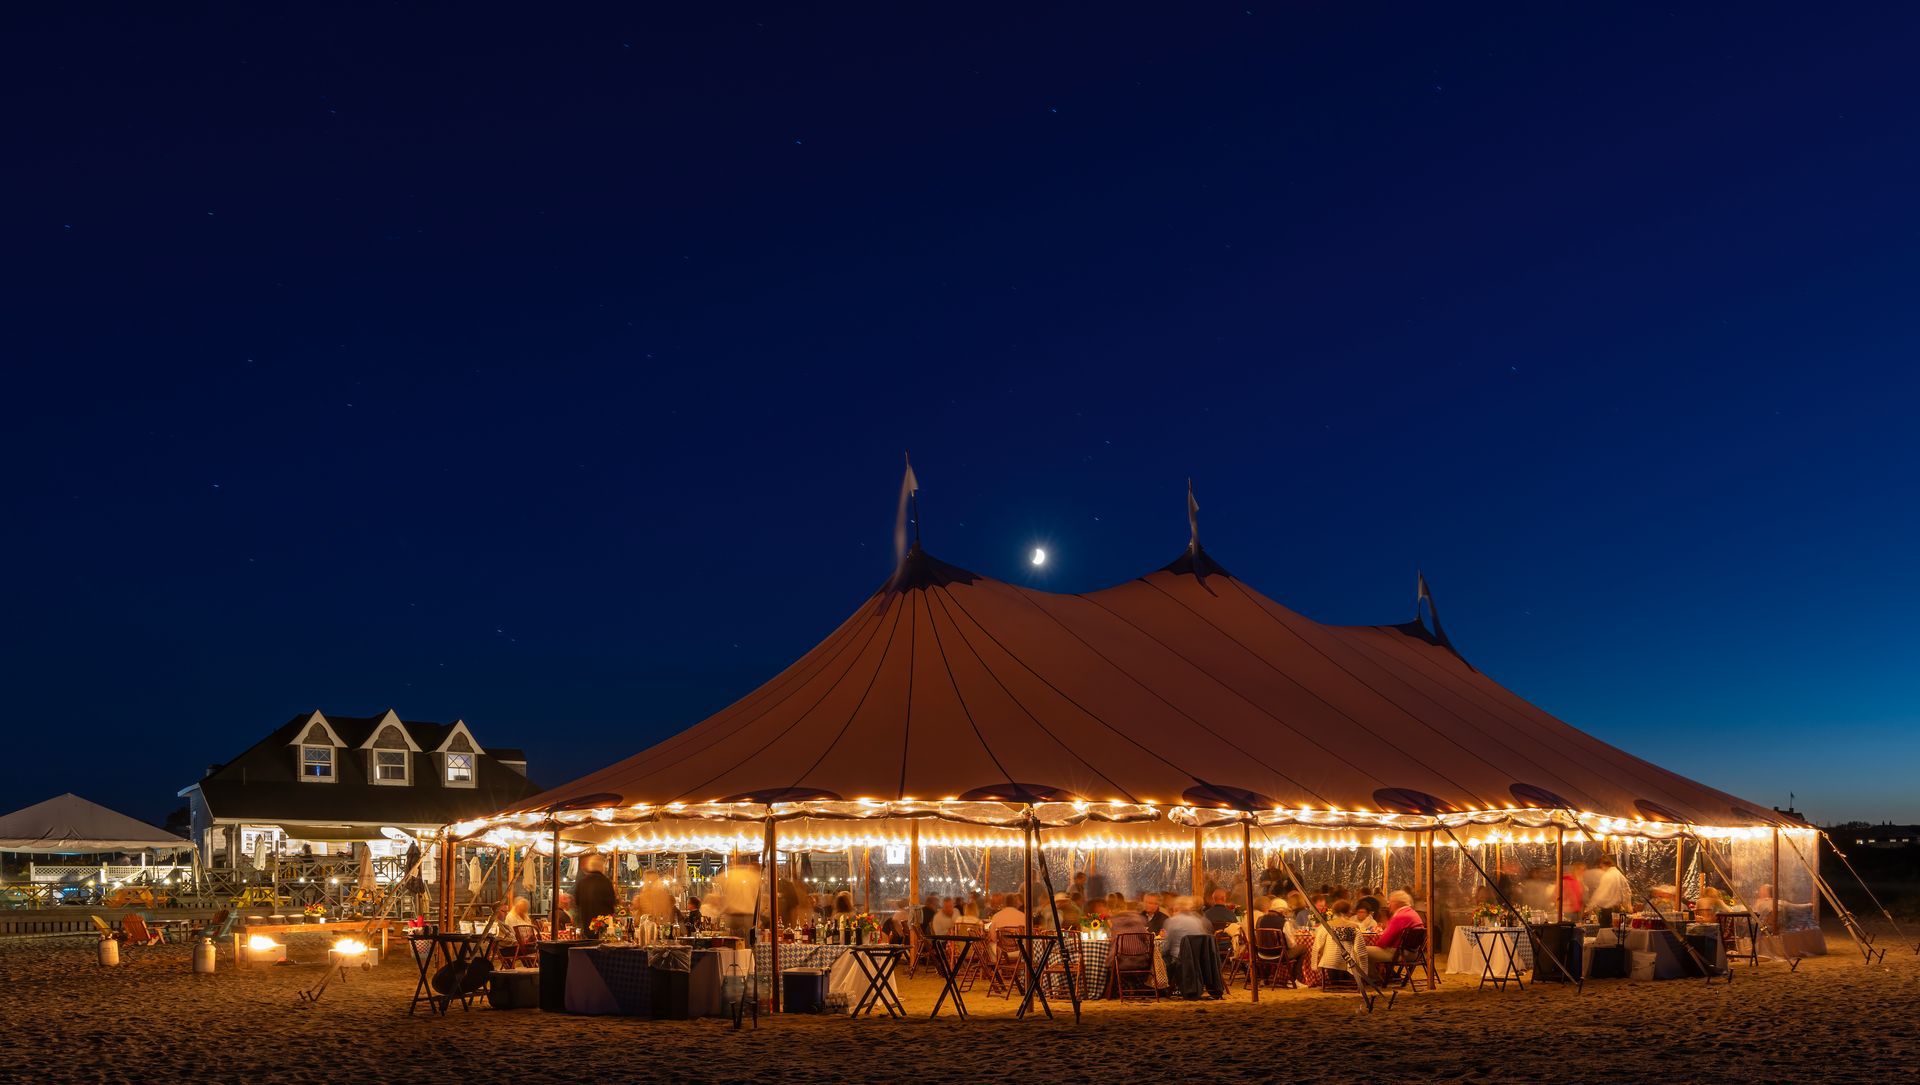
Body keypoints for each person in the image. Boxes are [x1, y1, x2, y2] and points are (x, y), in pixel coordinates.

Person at [1362, 891, 1425, 968]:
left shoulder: (1400, 916)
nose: (1389, 906)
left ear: (1396, 903)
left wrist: (1375, 943)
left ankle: (1372, 975)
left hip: (1400, 954)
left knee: (1360, 950)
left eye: (1390, 902)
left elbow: (1383, 942)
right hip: (1414, 953)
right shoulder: (1412, 913)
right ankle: (1385, 974)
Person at [572, 853, 617, 935]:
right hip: (602, 926)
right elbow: (611, 903)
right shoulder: (606, 882)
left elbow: (577, 903)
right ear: (602, 866)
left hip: (586, 925)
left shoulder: (582, 882)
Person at [1588, 855, 1630, 928]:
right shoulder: (1620, 874)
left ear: (1602, 864)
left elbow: (1601, 893)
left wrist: (1590, 906)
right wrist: (1628, 905)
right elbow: (1627, 891)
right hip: (1618, 910)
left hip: (1608, 912)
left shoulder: (1607, 876)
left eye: (1600, 866)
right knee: (1617, 931)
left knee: (1606, 932)